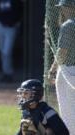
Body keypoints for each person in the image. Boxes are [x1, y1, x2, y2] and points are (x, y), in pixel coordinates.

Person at [48, 0, 75, 134]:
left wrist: (53, 69)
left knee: (69, 114)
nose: (62, 10)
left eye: (64, 7)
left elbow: (62, 52)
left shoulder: (68, 25)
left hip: (68, 71)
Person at [0, 0, 23, 83]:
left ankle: (9, 73)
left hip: (11, 28)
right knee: (2, 51)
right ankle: (5, 73)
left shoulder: (15, 2)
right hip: (1, 26)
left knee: (7, 52)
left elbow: (19, 11)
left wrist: (15, 22)